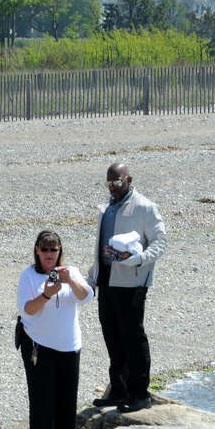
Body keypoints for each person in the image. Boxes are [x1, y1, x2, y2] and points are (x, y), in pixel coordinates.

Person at [89, 163, 168, 414]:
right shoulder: (107, 208)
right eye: (109, 183)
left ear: (129, 179)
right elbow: (100, 248)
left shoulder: (145, 207)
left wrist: (140, 259)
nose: (113, 187)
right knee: (112, 336)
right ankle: (119, 390)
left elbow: (160, 241)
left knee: (133, 337)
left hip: (132, 283)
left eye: (118, 182)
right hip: (107, 281)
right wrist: (92, 278)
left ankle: (140, 394)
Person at [17, 230, 94, 429]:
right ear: (37, 250)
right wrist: (47, 294)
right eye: (45, 249)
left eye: (54, 249)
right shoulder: (29, 276)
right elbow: (27, 309)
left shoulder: (70, 272)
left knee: (66, 398)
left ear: (60, 250)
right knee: (41, 398)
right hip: (38, 344)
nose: (49, 255)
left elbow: (87, 296)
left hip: (69, 345)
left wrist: (70, 280)